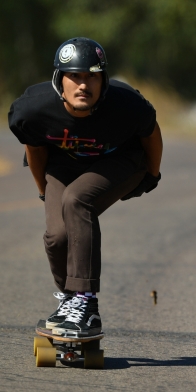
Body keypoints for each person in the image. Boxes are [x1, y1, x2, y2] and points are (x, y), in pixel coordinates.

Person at [8, 37, 163, 336]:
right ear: (59, 80)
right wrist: (45, 191)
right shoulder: (33, 109)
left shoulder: (127, 104)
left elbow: (151, 135)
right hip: (63, 165)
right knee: (57, 235)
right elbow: (36, 149)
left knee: (78, 200)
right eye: (75, 76)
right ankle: (70, 300)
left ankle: (85, 304)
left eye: (92, 75)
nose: (83, 84)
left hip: (120, 160)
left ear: (103, 79)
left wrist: (151, 176)